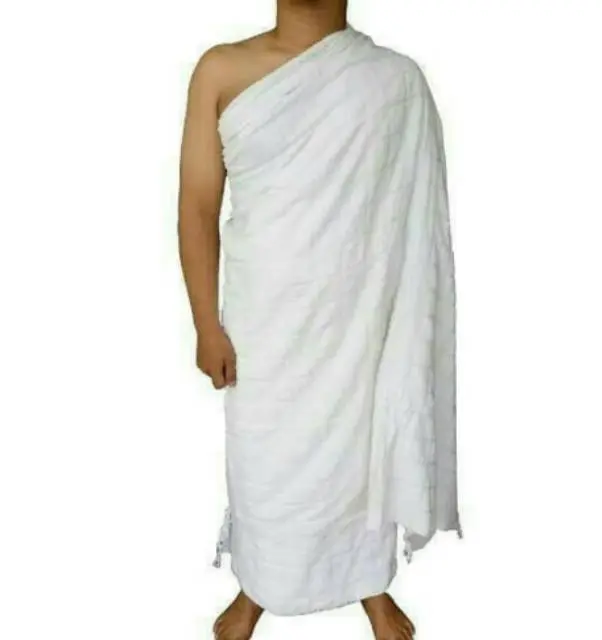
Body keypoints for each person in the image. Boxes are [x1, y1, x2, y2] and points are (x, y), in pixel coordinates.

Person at [178, 1, 461, 638]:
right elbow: (197, 204)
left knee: (359, 454)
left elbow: (414, 225)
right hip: (264, 324)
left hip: (361, 324)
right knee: (263, 459)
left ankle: (369, 581)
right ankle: (258, 582)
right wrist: (204, 324)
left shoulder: (395, 81)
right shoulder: (221, 70)